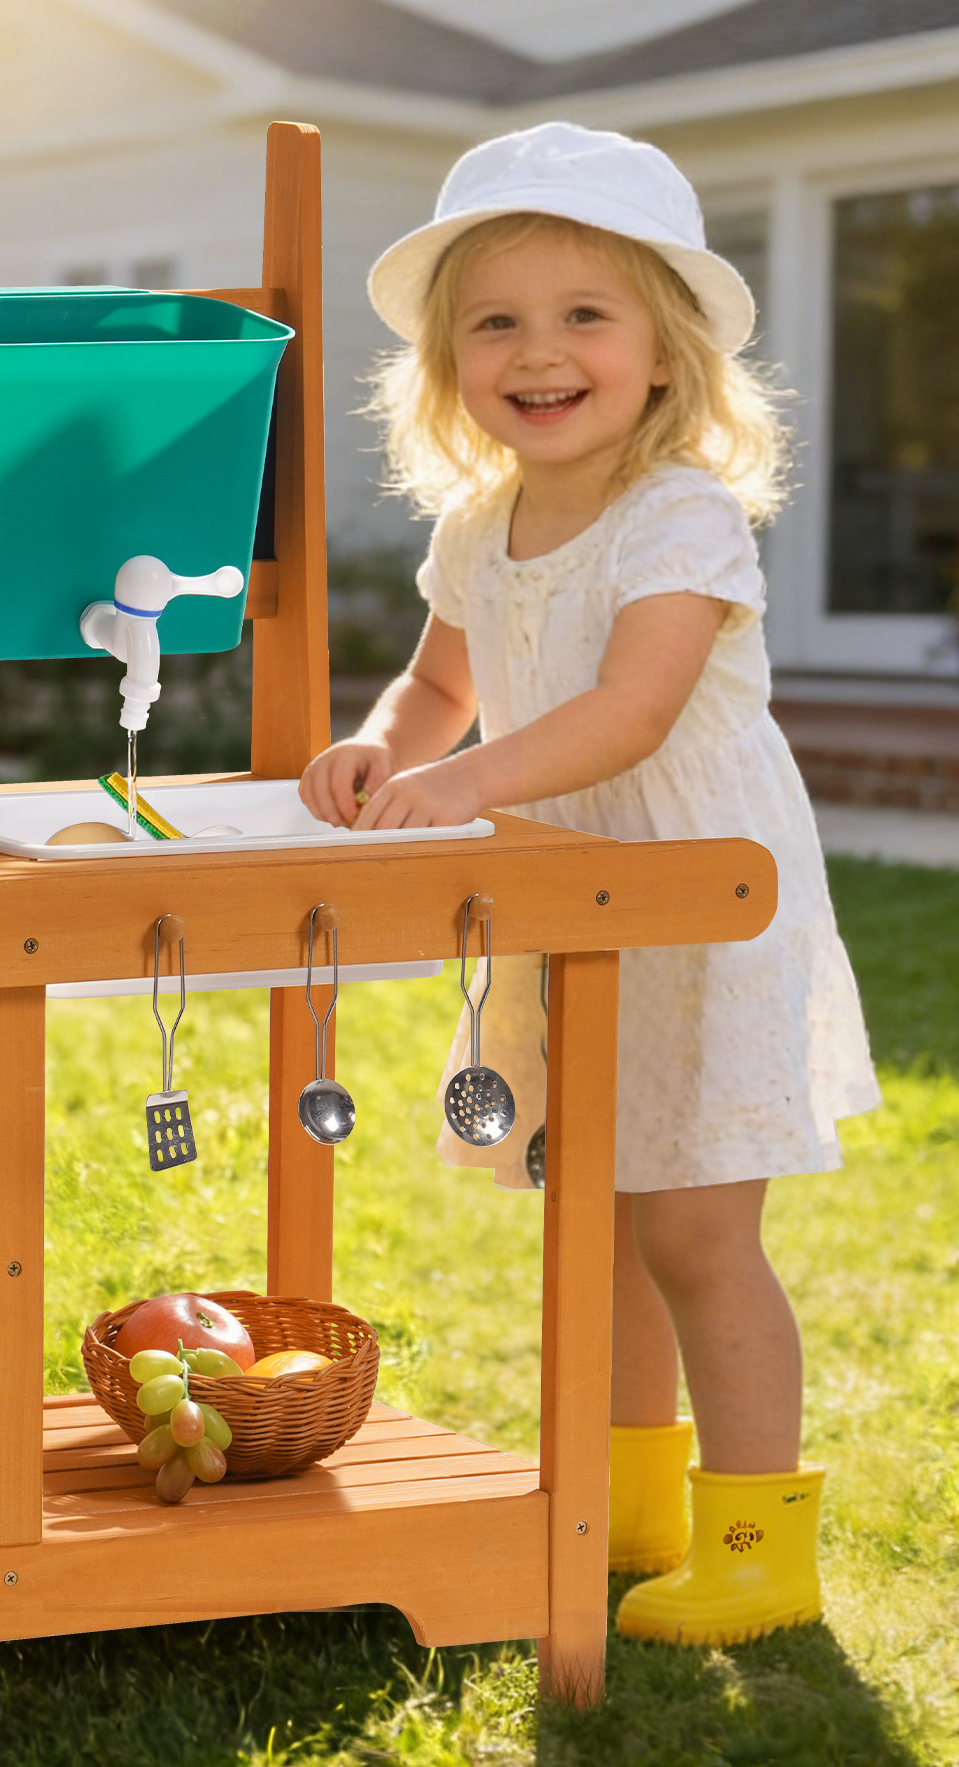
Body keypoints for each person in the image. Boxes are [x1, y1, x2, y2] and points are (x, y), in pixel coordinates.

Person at [301, 123, 879, 1646]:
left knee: (695, 1230)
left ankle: (759, 1545)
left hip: (695, 905)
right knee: (601, 1215)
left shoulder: (680, 513)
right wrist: (374, 751)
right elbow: (438, 684)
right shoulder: (476, 524)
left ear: (667, 354)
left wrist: (470, 784)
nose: (537, 352)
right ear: (445, 361)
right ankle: (626, 1502)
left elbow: (631, 710)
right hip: (568, 909)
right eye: (496, 320)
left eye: (583, 317)